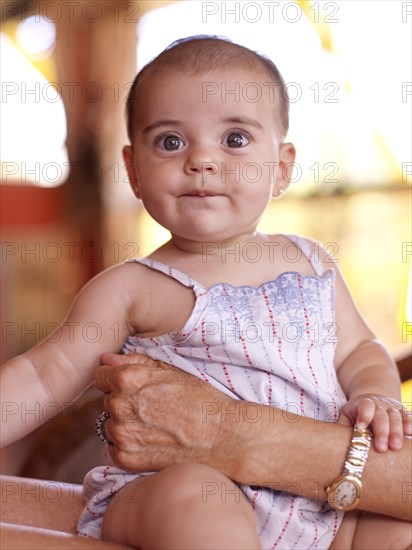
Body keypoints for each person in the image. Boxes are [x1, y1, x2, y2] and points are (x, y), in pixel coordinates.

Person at [1, 35, 411, 550]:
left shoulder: (311, 263)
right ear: (132, 171)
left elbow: (360, 350)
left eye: (234, 139)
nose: (202, 161)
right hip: (172, 494)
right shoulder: (132, 287)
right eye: (171, 142)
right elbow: (44, 374)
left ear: (281, 167)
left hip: (318, 499)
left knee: (397, 526)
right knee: (195, 501)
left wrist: (376, 393)